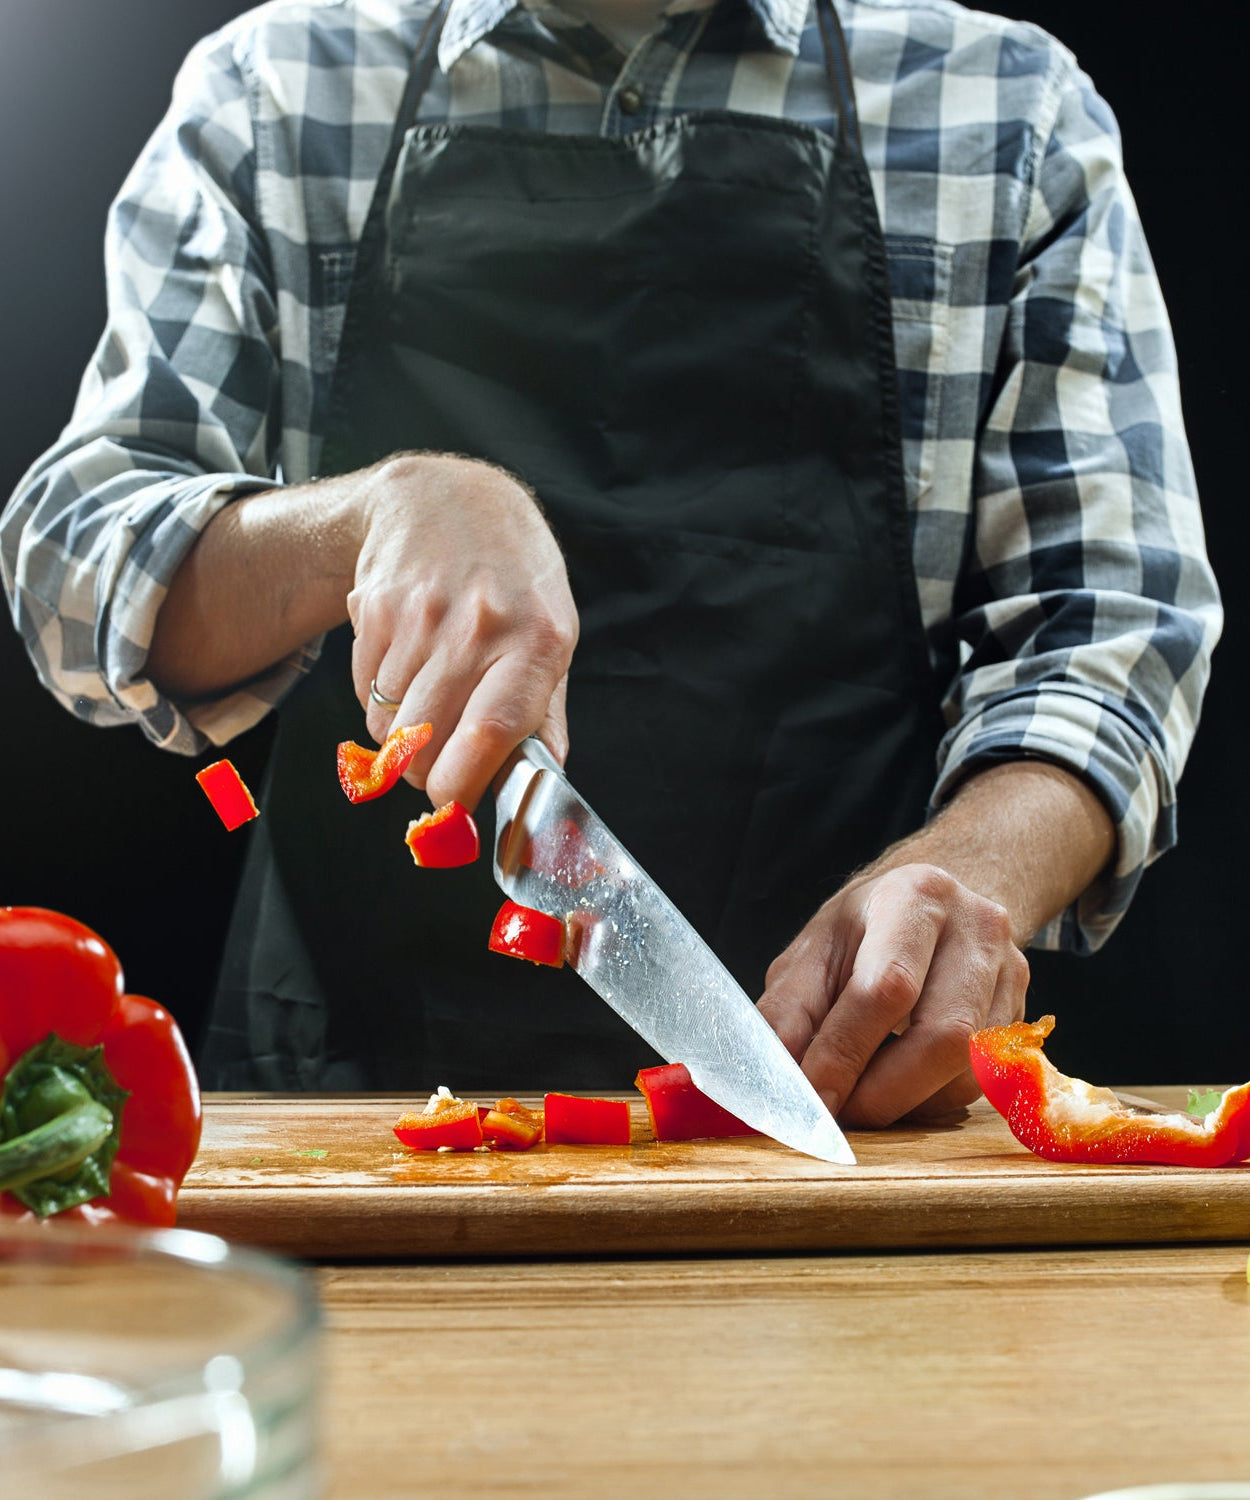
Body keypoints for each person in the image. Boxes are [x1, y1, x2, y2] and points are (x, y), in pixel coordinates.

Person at [0, 0, 1221, 1125]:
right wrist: (369, 516)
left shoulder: (1002, 108)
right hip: (347, 1097)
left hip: (844, 1076)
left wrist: (970, 869)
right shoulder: (280, 86)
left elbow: (1108, 631)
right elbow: (73, 556)